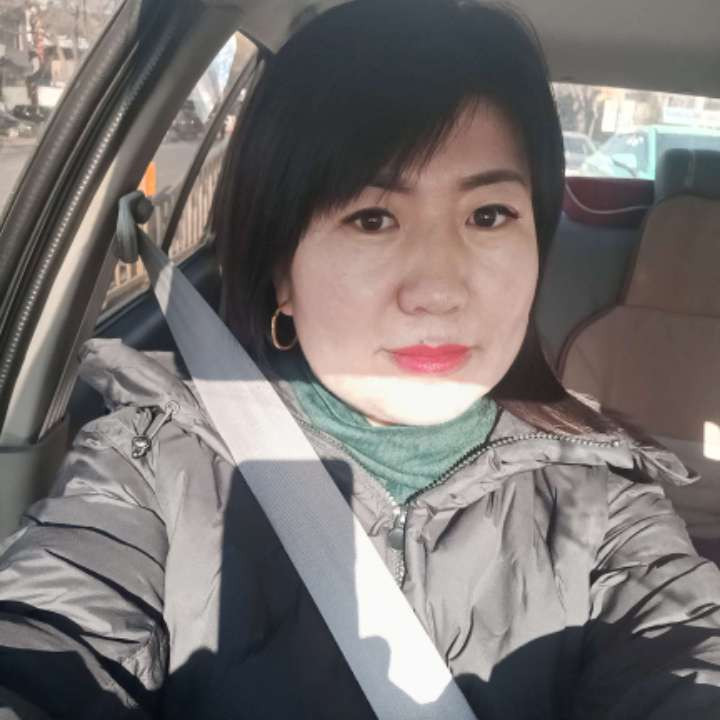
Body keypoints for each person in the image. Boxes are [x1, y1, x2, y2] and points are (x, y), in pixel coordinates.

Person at [1, 1, 720, 718]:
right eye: (372, 218)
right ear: (281, 270)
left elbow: (686, 649)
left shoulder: (605, 503)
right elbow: (50, 637)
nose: (438, 291)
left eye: (488, 215)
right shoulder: (151, 467)